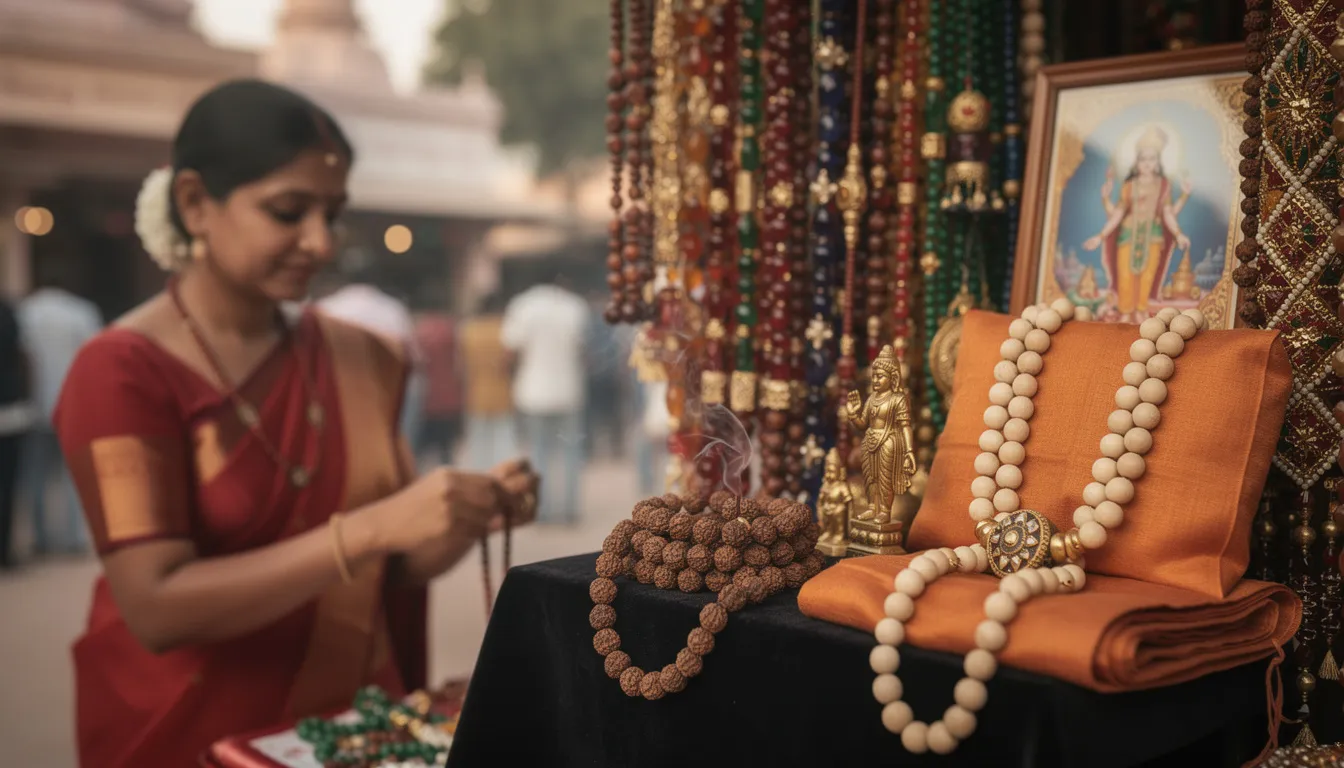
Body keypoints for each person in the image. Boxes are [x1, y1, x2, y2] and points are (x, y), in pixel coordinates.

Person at [53, 79, 538, 768]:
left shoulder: (360, 356)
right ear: (195, 204)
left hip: (345, 726)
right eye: (288, 211)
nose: (320, 241)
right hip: (188, 731)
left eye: (332, 214)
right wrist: (372, 526)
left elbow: (390, 569)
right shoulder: (122, 372)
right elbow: (156, 607)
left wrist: (459, 517)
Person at [17, 267, 102, 554]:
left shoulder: (26, 312)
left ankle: (42, 537)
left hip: (36, 404)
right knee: (74, 474)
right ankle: (75, 537)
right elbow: (95, 358)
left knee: (36, 475)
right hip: (73, 404)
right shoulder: (81, 312)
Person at [502, 269, 589, 525]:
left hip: (533, 391)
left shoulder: (522, 305)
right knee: (571, 451)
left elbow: (510, 350)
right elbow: (583, 349)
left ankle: (542, 511)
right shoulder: (574, 306)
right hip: (568, 390)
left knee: (538, 453)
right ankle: (570, 509)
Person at [1082, 125, 1193, 323]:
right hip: (1127, 236)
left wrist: (1178, 234)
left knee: (1147, 276)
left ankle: (1141, 311)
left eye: (1152, 159)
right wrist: (1100, 236)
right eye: (1143, 159)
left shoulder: (1163, 185)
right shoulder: (1129, 185)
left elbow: (1167, 212)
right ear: (1137, 161)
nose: (1147, 163)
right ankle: (1125, 312)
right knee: (1125, 275)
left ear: (1158, 162)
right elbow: (1118, 213)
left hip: (1153, 236)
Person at [316, 273, 426, 449]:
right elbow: (411, 358)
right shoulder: (392, 309)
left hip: (340, 396)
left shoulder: (325, 308)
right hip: (387, 394)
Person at [458, 292, 517, 471]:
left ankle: (481, 477)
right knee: (503, 442)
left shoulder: (468, 330)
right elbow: (509, 361)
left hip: (476, 393)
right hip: (502, 393)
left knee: (478, 444)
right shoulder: (505, 329)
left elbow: (462, 365)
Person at [0, 297, 31, 568]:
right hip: (10, 411)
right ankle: (5, 550)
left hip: (9, 411)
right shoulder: (9, 313)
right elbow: (24, 357)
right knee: (7, 487)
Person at [414, 309, 463, 465]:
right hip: (449, 398)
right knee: (446, 450)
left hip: (427, 398)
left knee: (423, 451)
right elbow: (459, 366)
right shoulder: (450, 331)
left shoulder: (420, 332)